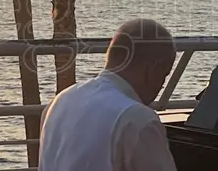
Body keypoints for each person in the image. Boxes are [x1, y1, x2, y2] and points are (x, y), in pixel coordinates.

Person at [39, 18, 178, 171]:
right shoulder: (137, 119)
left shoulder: (58, 103)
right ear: (154, 69)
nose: (162, 85)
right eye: (164, 75)